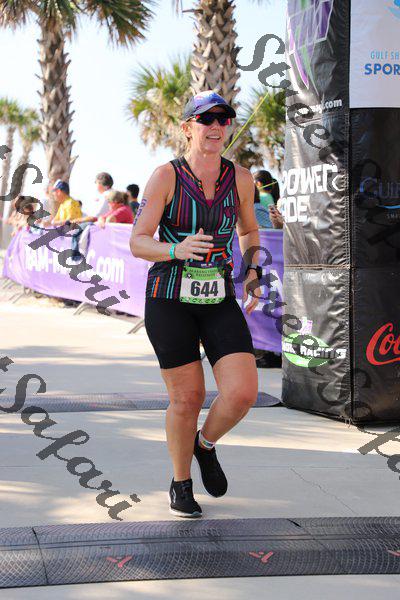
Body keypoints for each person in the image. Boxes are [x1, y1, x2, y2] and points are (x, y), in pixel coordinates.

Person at [130, 90, 262, 519]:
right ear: (187, 128)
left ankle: (204, 445)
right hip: (169, 297)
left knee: (242, 393)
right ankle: (181, 483)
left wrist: (253, 269)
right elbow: (138, 241)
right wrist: (176, 249)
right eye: (206, 119)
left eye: (223, 119)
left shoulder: (241, 178)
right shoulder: (165, 176)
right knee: (188, 398)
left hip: (218, 294)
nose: (216, 127)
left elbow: (249, 231)